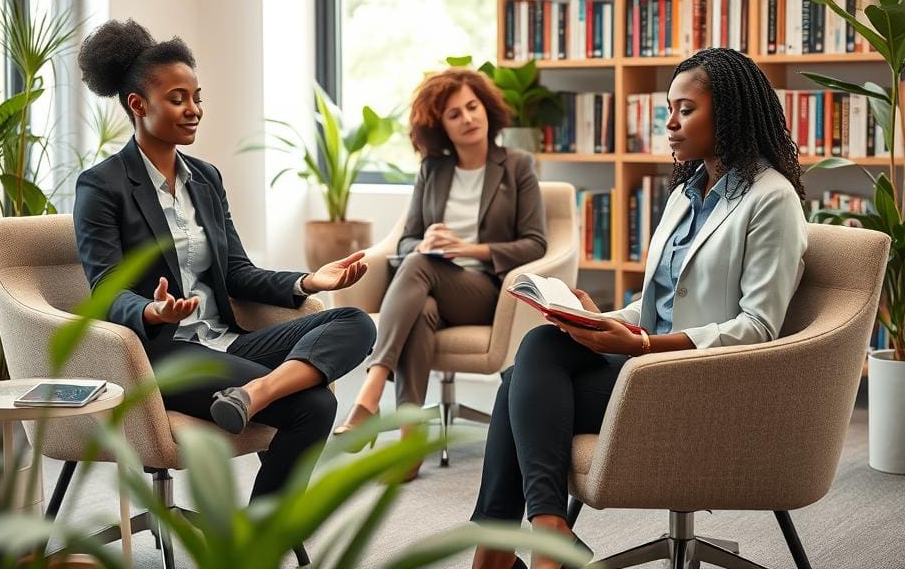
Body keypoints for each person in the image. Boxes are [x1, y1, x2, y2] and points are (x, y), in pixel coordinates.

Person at [470, 47, 809, 569]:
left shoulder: (772, 199)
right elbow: (659, 303)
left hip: (704, 382)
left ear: (731, 114)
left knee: (520, 383)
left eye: (686, 110)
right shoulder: (686, 192)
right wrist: (605, 318)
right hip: (647, 366)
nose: (669, 124)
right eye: (668, 110)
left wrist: (646, 344)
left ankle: (511, 547)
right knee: (540, 346)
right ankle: (543, 533)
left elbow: (759, 328)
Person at [72, 19, 377, 503]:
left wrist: (307, 281)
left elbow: (237, 272)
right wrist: (153, 311)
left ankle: (256, 395)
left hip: (228, 342)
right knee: (314, 406)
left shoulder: (206, 179)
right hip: (163, 353)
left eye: (197, 97)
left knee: (356, 322)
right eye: (178, 99)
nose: (193, 110)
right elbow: (106, 290)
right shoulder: (102, 186)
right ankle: (259, 539)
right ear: (138, 105)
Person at [333, 68, 547, 479]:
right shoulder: (433, 170)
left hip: (486, 292)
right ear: (440, 127)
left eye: (472, 107)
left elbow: (536, 243)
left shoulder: (517, 165)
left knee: (418, 269)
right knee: (422, 309)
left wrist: (470, 249)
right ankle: (411, 444)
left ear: (487, 109)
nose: (468, 118)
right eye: (454, 114)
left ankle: (371, 392)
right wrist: (428, 241)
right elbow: (406, 242)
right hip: (430, 285)